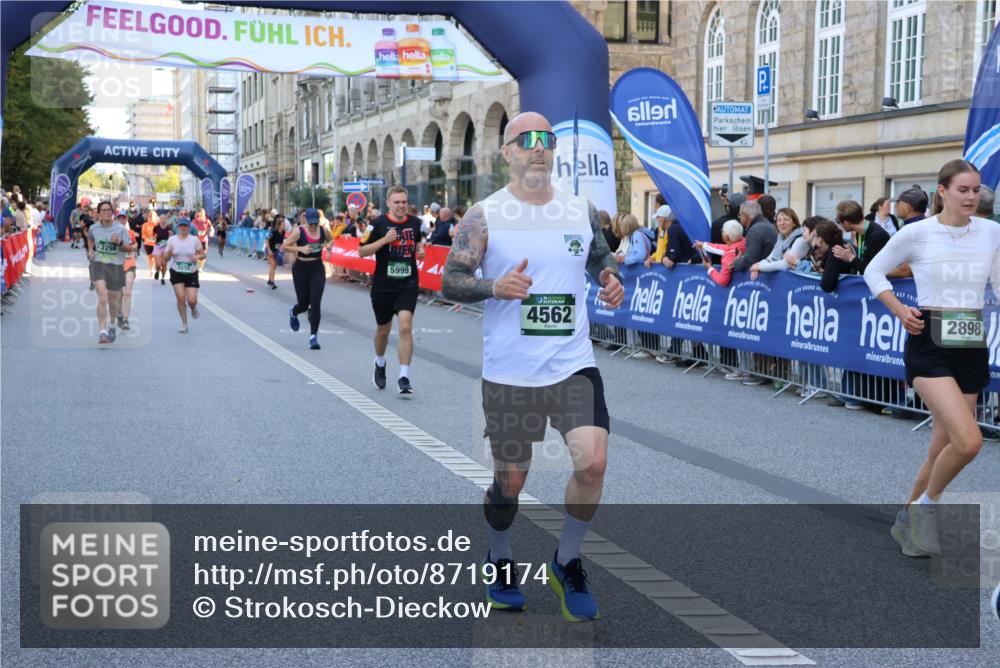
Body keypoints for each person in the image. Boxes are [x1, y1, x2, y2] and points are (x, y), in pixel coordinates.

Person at [441, 111, 624, 621]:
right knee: (511, 483)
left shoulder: (578, 209)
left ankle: (566, 561)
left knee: (593, 463)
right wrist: (492, 287)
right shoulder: (484, 215)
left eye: (546, 139)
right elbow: (450, 281)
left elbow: (599, 257)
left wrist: (610, 278)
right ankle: (499, 558)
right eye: (527, 140)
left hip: (572, 364)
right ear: (507, 152)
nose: (538, 147)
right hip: (511, 374)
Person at [865, 159, 1000, 557]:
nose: (972, 197)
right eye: (963, 190)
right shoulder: (918, 233)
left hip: (971, 343)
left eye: (976, 190)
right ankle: (926, 510)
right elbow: (874, 271)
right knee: (970, 441)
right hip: (928, 343)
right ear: (942, 191)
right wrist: (898, 309)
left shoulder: (992, 232)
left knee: (941, 446)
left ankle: (906, 519)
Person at [359, 186, 424, 394]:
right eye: (397, 202)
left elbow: (419, 245)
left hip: (408, 283)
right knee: (383, 330)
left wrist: (420, 251)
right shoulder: (377, 224)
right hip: (383, 285)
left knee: (405, 326)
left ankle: (404, 376)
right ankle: (380, 362)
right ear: (388, 203)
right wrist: (384, 240)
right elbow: (361, 251)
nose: (401, 206)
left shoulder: (416, 223)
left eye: (404, 202)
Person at [85, 201, 134, 344]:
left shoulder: (120, 229)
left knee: (113, 300)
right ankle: (102, 332)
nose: (106, 212)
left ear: (112, 212)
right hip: (99, 265)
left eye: (109, 210)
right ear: (99, 213)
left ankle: (112, 324)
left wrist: (119, 243)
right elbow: (90, 238)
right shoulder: (94, 228)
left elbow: (130, 248)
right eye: (103, 210)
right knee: (102, 298)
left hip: (116, 266)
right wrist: (91, 251)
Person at [284, 208, 332, 350]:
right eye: (310, 223)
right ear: (306, 221)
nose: (313, 226)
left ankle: (313, 337)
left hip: (317, 267)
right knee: (303, 305)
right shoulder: (299, 231)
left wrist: (328, 247)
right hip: (300, 268)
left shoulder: (323, 230)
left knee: (315, 302)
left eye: (315, 223)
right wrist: (301, 249)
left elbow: (331, 240)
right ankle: (294, 312)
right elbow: (284, 246)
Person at [163, 218, 205, 334]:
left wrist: (198, 257)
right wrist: (169, 253)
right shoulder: (172, 240)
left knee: (192, 300)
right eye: (181, 226)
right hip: (176, 271)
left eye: (185, 226)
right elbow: (166, 258)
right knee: (181, 298)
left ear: (189, 227)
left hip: (191, 272)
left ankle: (193, 307)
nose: (183, 228)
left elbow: (203, 254)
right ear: (178, 227)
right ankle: (184, 323)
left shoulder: (194, 240)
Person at [830, 199, 890, 276]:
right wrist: (848, 256)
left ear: (847, 223)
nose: (839, 225)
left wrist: (851, 258)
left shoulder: (878, 236)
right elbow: (863, 262)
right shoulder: (861, 232)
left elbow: (875, 270)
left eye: (838, 221)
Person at [750, 208, 807, 279]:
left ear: (794, 223)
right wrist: (757, 267)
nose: (782, 223)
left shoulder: (801, 240)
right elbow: (769, 259)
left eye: (786, 219)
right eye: (779, 220)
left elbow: (785, 265)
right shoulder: (780, 240)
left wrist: (760, 267)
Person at [730, 199, 777, 273]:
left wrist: (736, 263)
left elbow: (750, 260)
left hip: (764, 278)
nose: (740, 218)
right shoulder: (768, 225)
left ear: (745, 216)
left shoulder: (754, 231)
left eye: (740, 215)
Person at [700, 220, 745, 287]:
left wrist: (709, 268)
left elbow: (723, 281)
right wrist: (704, 245)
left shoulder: (729, 256)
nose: (721, 232)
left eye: (722, 231)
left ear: (726, 237)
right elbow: (726, 248)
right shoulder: (744, 241)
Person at [118, 214, 138, 331]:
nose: (122, 220)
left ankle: (125, 319)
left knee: (127, 293)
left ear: (126, 220)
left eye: (124, 218)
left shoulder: (130, 233)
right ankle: (120, 313)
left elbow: (135, 245)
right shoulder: (111, 233)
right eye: (119, 218)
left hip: (129, 264)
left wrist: (132, 247)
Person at [152, 214, 172, 285]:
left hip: (166, 247)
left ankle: (163, 278)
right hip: (158, 246)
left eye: (164, 219)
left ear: (166, 220)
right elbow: (153, 235)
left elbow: (171, 237)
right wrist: (153, 238)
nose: (163, 220)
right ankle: (157, 271)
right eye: (161, 219)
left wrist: (170, 235)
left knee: (164, 264)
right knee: (158, 264)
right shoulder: (156, 227)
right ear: (159, 220)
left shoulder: (169, 228)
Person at [265, 217, 284, 289]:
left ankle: (269, 280)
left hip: (276, 251)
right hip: (269, 250)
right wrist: (269, 250)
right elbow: (266, 239)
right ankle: (272, 282)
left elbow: (280, 243)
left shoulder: (283, 232)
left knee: (273, 266)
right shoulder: (274, 232)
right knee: (273, 265)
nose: (284, 225)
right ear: (279, 225)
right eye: (283, 224)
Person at [141, 210, 158, 277]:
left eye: (152, 215)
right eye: (149, 215)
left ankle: (155, 268)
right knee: (150, 258)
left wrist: (155, 237)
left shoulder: (157, 224)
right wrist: (147, 238)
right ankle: (151, 270)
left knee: (155, 257)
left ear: (155, 216)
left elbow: (159, 233)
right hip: (147, 243)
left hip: (156, 244)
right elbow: (143, 234)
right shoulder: (145, 225)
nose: (150, 216)